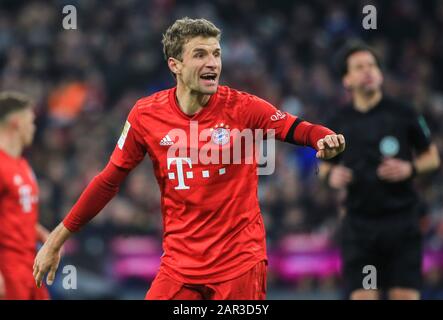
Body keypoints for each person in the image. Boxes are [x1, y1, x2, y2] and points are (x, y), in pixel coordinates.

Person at [33, 17, 345, 300]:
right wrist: (57, 238)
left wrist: (325, 139)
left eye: (216, 54)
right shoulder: (145, 114)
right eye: (200, 54)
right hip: (180, 268)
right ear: (175, 65)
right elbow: (108, 181)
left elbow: (299, 129)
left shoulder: (243, 107)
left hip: (239, 264)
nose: (213, 63)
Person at [319, 42, 440, 300]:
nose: (368, 71)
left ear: (381, 74)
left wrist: (411, 167)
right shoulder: (337, 121)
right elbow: (325, 167)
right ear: (347, 80)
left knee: (404, 296)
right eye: (359, 67)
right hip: (359, 226)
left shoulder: (404, 113)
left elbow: (432, 158)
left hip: (402, 223)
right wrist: (331, 175)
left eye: (372, 66)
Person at [0, 92, 50, 300]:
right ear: (15, 123)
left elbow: (17, 213)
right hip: (8, 266)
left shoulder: (22, 165)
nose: (34, 128)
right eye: (30, 122)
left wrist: (45, 237)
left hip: (30, 264)